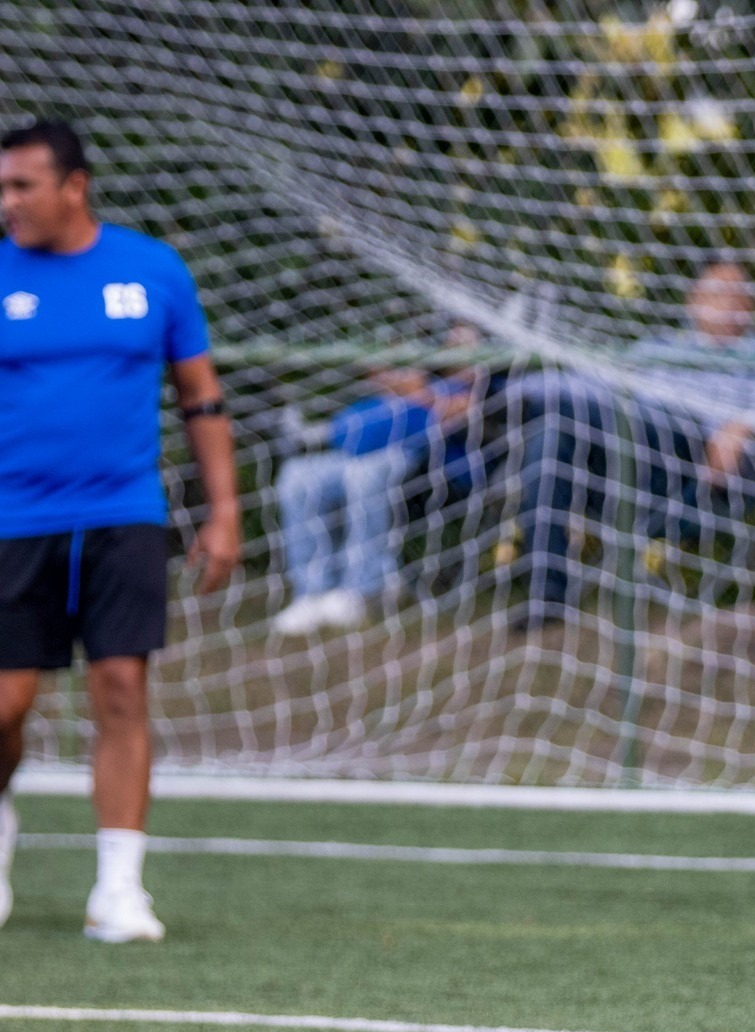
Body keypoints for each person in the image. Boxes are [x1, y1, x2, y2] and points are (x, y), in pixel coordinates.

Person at [0, 118, 240, 942]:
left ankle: (118, 888)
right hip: (12, 519)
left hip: (124, 514)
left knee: (122, 689)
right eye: (2, 187)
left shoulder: (152, 269)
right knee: (7, 701)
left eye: (22, 185)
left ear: (75, 186)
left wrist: (226, 510)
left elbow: (200, 395)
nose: (8, 202)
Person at [632, 259, 755, 604]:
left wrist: (742, 426)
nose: (727, 301)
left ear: (750, 305)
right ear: (693, 299)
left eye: (737, 293)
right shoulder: (659, 350)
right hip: (653, 459)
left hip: (737, 472)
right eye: (717, 292)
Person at [271, 355, 476, 636]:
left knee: (364, 474)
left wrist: (416, 393)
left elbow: (457, 415)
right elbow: (343, 435)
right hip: (354, 459)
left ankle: (364, 589)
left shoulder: (452, 390)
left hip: (421, 469)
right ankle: (311, 592)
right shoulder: (377, 401)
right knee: (299, 475)